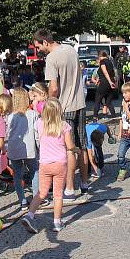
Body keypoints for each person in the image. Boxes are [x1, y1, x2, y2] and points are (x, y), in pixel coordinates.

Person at [33, 29, 89, 200]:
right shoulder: (71, 49)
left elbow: (54, 88)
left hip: (65, 107)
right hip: (80, 103)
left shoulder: (51, 58)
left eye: (38, 46)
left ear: (45, 42)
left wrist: (48, 104)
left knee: (69, 148)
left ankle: (70, 189)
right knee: (82, 145)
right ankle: (85, 183)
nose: (38, 50)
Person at [21, 97, 75, 233]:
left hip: (44, 164)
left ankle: (29, 215)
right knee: (58, 194)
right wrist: (76, 149)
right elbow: (70, 146)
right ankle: (57, 222)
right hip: (59, 164)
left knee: (41, 193)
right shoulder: (64, 126)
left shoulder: (40, 123)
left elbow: (36, 110)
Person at [7, 88, 40, 209]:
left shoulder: (10, 116)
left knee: (17, 175)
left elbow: (7, 133)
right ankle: (37, 198)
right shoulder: (33, 114)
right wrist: (39, 147)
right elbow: (37, 134)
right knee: (35, 171)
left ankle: (22, 200)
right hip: (30, 148)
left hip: (14, 148)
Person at [93, 50, 117, 117]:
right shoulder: (110, 62)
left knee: (97, 100)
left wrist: (109, 82)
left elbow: (105, 72)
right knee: (108, 101)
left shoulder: (102, 62)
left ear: (100, 56)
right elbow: (112, 73)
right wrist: (113, 82)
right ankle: (113, 115)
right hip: (111, 83)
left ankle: (95, 116)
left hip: (104, 83)